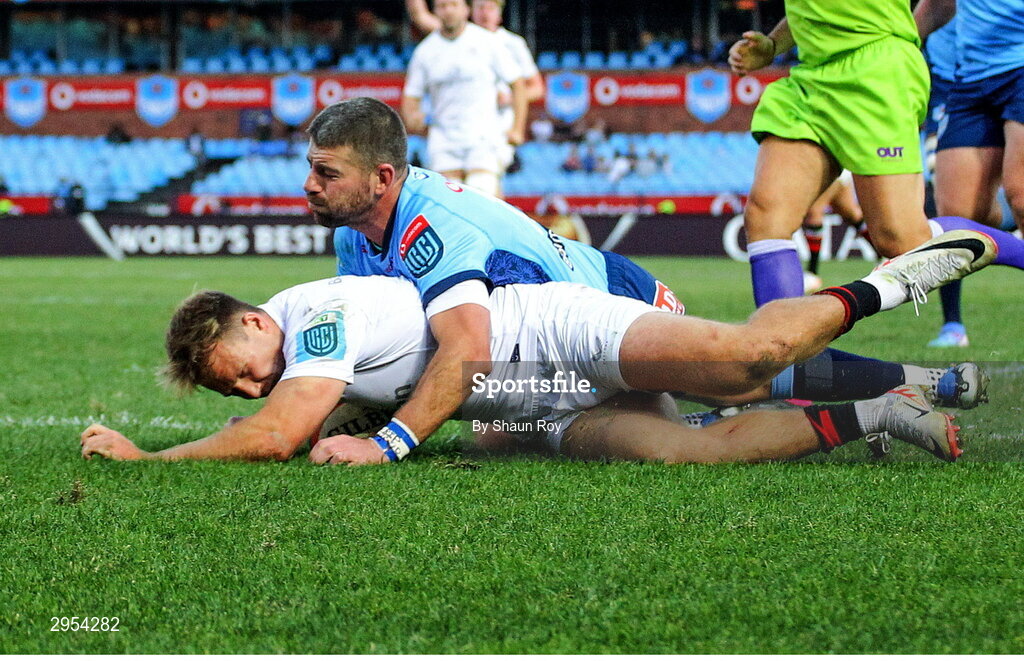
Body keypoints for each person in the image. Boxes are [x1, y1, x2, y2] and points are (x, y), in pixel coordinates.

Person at [306, 98, 988, 463]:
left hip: (604, 301)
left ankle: (908, 330)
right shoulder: (352, 237)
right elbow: (383, 353)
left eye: (326, 173)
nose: (308, 187)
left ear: (383, 177)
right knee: (660, 431)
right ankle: (898, 398)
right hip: (537, 370)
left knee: (737, 374)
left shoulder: (434, 220)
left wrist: (387, 442)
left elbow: (459, 349)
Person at [79, 228, 997, 466]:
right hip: (528, 397)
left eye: (231, 373)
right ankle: (882, 411)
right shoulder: (295, 341)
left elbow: (277, 433)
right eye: (228, 390)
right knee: (683, 453)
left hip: (546, 329)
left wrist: (146, 456)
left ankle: (889, 283)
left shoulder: (313, 312)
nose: (244, 391)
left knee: (741, 361)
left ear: (249, 322)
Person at [728, 2, 936, 308]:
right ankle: (782, 349)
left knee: (900, 239)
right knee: (766, 215)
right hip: (813, 77)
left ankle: (1006, 246)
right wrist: (774, 44)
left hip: (876, 70)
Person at [915, 0, 1024, 348]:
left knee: (1020, 192)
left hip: (1021, 69)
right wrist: (900, 44)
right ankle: (952, 327)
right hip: (970, 82)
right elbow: (938, 5)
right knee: (957, 218)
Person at [400, 0, 527, 198]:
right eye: (442, 6)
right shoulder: (424, 51)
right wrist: (413, 117)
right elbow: (411, 96)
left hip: (484, 138)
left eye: (453, 5)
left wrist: (517, 128)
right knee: (448, 203)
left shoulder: (488, 42)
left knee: (484, 198)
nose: (448, 11)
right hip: (443, 140)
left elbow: (518, 84)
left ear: (466, 9)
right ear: (435, 11)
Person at [801, 170, 865, 293]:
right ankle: (884, 257)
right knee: (850, 213)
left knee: (814, 211)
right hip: (839, 168)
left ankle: (812, 273)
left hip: (829, 165)